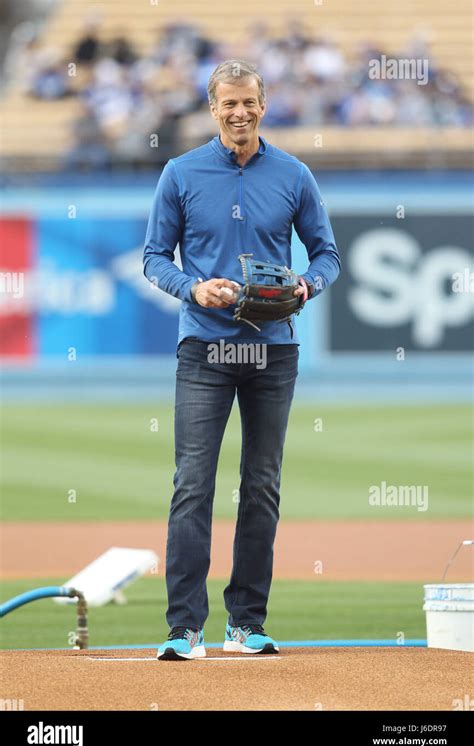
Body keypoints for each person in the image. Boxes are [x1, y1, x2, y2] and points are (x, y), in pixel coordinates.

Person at [143, 59, 341, 660]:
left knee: (261, 487)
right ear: (212, 108)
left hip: (272, 349)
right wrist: (192, 289)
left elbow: (327, 254)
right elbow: (155, 257)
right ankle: (184, 628)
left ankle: (245, 624)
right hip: (203, 346)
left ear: (264, 103)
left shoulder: (294, 173)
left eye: (248, 103)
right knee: (192, 486)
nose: (239, 113)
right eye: (228, 104)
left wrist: (305, 287)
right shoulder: (180, 173)